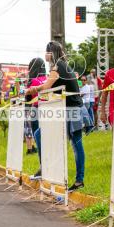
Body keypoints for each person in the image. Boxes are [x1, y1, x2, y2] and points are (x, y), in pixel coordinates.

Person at [26, 42, 86, 191]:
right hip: (68, 110)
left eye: (46, 52)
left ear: (51, 53)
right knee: (41, 134)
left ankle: (79, 179)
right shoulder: (61, 65)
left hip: (73, 110)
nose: (45, 55)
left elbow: (46, 87)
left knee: (76, 144)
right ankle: (45, 167)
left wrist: (32, 90)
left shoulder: (57, 67)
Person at [25, 57, 48, 162]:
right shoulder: (48, 79)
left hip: (36, 110)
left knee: (38, 138)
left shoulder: (34, 81)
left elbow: (27, 98)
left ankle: (42, 164)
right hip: (49, 110)